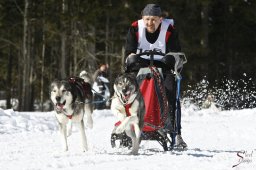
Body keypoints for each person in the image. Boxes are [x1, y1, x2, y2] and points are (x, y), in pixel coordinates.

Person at [124, 4, 187, 148]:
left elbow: (175, 51)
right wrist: (131, 56)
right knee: (130, 93)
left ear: (160, 19)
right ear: (142, 18)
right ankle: (130, 128)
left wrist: (170, 59)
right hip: (140, 66)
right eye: (147, 19)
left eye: (153, 19)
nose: (150, 23)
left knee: (170, 94)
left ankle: (175, 132)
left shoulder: (169, 30)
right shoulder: (135, 28)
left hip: (164, 66)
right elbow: (129, 50)